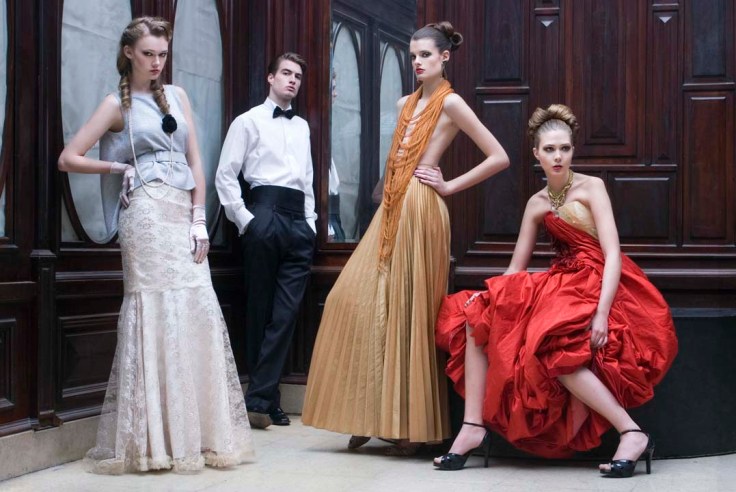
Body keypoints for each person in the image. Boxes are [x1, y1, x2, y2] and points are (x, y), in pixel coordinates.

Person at [433, 104, 678, 476]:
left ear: (573, 150)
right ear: (537, 154)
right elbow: (515, 269)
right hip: (562, 281)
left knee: (554, 346)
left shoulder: (592, 187)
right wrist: (488, 296)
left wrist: (601, 313)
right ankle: (472, 427)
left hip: (600, 280)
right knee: (474, 315)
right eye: (550, 149)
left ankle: (631, 432)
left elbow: (613, 253)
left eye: (564, 148)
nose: (558, 156)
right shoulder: (536, 204)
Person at [302, 22, 510, 454]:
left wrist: (449, 186)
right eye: (413, 55)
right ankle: (368, 414)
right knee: (354, 301)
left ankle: (409, 427)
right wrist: (383, 192)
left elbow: (499, 156)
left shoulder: (451, 102)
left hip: (422, 207)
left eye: (425, 55)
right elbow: (395, 157)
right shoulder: (404, 103)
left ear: (444, 57)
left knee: (409, 311)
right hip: (394, 205)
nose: (417, 62)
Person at [57, 17, 253, 474]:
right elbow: (69, 158)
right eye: (148, 54)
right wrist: (117, 168)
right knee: (154, 311)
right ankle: (154, 442)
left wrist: (200, 219)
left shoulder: (178, 96)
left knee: (196, 306)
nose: (157, 62)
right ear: (129, 53)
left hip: (182, 215)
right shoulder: (115, 104)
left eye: (162, 54)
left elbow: (196, 161)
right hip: (144, 216)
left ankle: (197, 436)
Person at [215, 52, 317, 429]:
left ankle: (259, 397)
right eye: (286, 73)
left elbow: (307, 178)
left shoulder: (302, 127)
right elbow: (226, 175)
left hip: (298, 221)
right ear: (270, 78)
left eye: (298, 76)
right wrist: (247, 221)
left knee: (286, 313)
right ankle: (267, 400)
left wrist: (310, 223)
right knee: (260, 307)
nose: (292, 80)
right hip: (264, 213)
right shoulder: (248, 121)